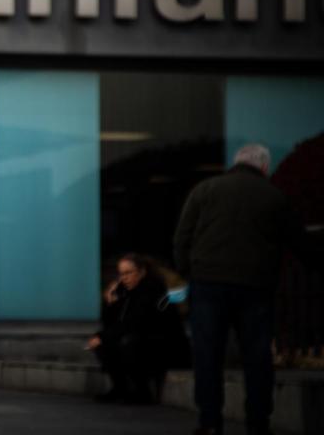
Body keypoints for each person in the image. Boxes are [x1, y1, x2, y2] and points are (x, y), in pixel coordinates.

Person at [174, 144, 303, 435]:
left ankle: (210, 422)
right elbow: (296, 240)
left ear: (236, 163)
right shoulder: (273, 195)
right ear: (264, 167)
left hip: (208, 283)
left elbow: (183, 236)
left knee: (208, 356)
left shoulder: (205, 190)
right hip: (255, 285)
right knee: (257, 357)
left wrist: (189, 272)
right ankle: (258, 422)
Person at [86, 253, 186, 404]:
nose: (124, 278)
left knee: (126, 341)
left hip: (165, 345)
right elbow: (111, 323)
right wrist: (110, 303)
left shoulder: (153, 290)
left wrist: (103, 336)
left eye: (128, 273)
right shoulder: (125, 291)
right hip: (141, 339)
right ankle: (120, 388)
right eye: (121, 274)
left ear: (142, 272)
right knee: (103, 342)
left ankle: (142, 391)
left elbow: (136, 322)